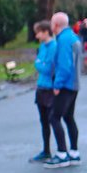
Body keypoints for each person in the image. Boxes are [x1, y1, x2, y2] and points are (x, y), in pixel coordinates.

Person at [45, 10, 81, 168]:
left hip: (65, 85)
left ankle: (61, 153)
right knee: (68, 117)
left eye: (52, 23)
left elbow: (64, 65)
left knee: (54, 117)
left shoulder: (63, 40)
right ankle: (74, 152)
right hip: (74, 84)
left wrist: (57, 85)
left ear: (56, 25)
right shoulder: (73, 37)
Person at [30, 20, 56, 163]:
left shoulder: (53, 46)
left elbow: (47, 68)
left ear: (46, 32)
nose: (36, 35)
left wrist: (39, 64)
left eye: (38, 32)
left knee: (53, 120)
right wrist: (40, 64)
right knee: (43, 121)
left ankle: (61, 151)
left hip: (49, 88)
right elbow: (39, 63)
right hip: (41, 87)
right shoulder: (42, 47)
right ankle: (46, 150)